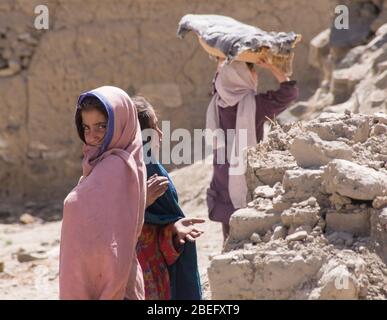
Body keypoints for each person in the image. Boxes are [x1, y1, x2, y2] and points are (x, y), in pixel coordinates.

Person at [59, 86, 146, 300]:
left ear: (120, 125)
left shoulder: (116, 165)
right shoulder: (123, 159)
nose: (92, 136)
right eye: (86, 127)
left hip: (110, 282)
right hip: (117, 276)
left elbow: (75, 204)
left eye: (101, 126)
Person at [206, 58, 299, 242]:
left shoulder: (218, 100)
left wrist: (222, 65)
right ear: (244, 76)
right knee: (249, 236)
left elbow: (218, 82)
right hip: (244, 178)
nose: (256, 74)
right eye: (253, 70)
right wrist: (274, 66)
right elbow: (289, 92)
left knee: (230, 237)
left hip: (223, 177)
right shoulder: (255, 105)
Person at [133, 95, 204, 300]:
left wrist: (173, 226)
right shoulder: (151, 170)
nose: (160, 134)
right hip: (151, 269)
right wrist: (173, 228)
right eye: (154, 127)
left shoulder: (117, 169)